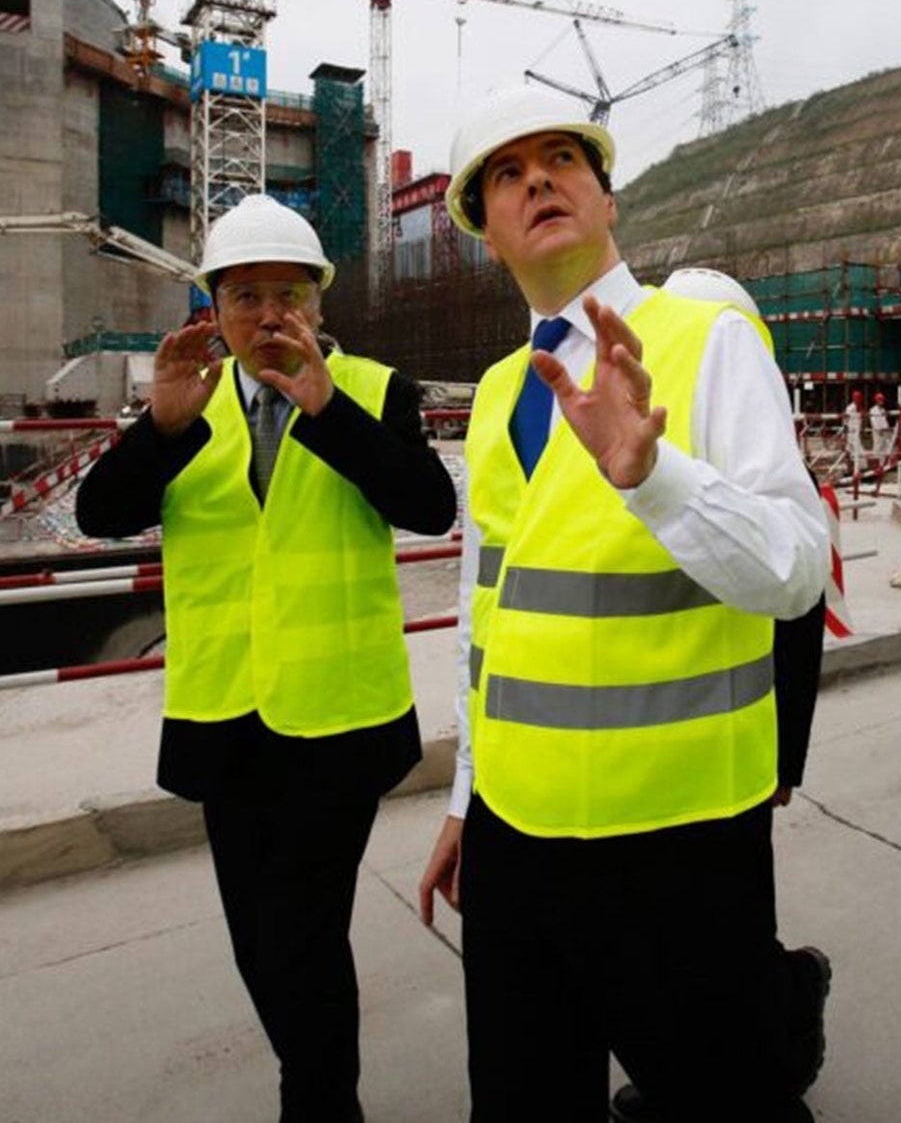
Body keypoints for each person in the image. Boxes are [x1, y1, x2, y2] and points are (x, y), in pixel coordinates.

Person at [416, 89, 832, 1123]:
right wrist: (469, 797)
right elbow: (487, 624)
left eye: (561, 159)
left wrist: (654, 476)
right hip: (516, 837)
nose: (537, 181)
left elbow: (794, 568)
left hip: (677, 840)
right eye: (507, 175)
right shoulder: (504, 386)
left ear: (605, 197)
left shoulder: (706, 340)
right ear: (484, 230)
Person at [76, 194, 457, 1122]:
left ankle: (319, 1104)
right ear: (212, 308)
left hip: (340, 719)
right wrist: (158, 429)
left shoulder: (374, 391)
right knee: (260, 937)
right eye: (244, 296)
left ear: (319, 305)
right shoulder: (184, 401)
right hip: (226, 721)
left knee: (304, 930)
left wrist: (326, 408)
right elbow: (100, 517)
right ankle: (320, 1091)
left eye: (288, 294)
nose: (268, 314)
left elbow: (428, 505)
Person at [608, 265, 830, 1123]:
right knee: (661, 945)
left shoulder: (766, 483)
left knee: (728, 949)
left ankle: (781, 1039)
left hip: (734, 762)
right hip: (653, 758)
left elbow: (796, 629)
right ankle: (686, 1078)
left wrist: (782, 763)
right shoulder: (644, 457)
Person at [843, 389, 864, 472]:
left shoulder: (860, 408)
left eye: (859, 397)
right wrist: (845, 434)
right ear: (854, 398)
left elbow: (860, 421)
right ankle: (851, 470)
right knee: (851, 452)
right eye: (856, 397)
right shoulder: (850, 408)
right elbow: (845, 420)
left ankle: (857, 470)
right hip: (851, 433)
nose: (858, 399)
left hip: (857, 433)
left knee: (856, 452)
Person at [868, 391, 891, 463]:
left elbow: (884, 421)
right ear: (877, 400)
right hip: (877, 432)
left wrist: (887, 428)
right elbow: (873, 421)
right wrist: (879, 429)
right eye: (880, 400)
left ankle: (883, 464)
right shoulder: (872, 410)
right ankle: (876, 464)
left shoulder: (883, 410)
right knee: (877, 447)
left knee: (885, 447)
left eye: (882, 400)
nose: (882, 401)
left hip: (884, 431)